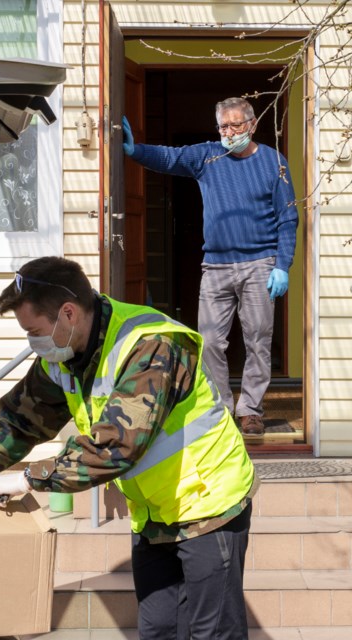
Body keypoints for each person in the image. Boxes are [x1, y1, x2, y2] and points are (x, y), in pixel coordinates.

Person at [0, 256, 257, 640]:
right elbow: (20, 416)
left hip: (209, 504)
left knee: (215, 634)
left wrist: (28, 480)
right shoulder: (64, 357)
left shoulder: (150, 346)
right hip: (156, 513)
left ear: (68, 314)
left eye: (34, 330)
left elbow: (117, 447)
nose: (31, 342)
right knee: (159, 631)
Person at [121, 97, 299, 438]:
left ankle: (250, 410)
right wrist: (135, 151)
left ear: (252, 124)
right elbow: (170, 157)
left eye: (235, 125)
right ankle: (220, 407)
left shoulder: (274, 163)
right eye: (223, 126)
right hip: (215, 266)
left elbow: (288, 217)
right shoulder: (208, 155)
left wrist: (283, 265)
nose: (229, 133)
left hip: (260, 264)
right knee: (210, 342)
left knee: (258, 340)